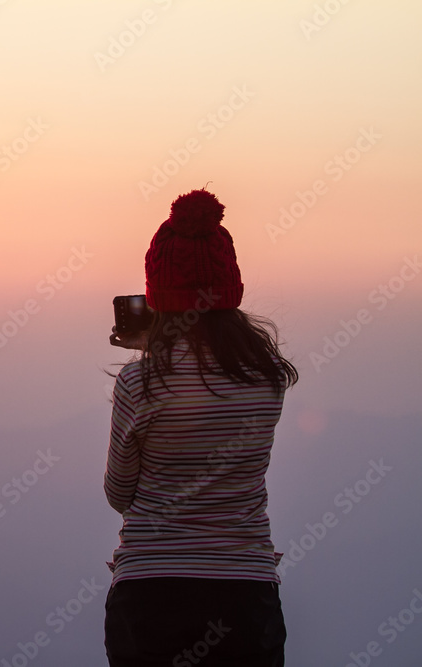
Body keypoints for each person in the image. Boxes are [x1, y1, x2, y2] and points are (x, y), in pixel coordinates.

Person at [103, 188, 299, 666]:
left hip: (151, 594)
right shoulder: (267, 379)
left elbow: (119, 493)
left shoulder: (139, 383)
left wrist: (155, 356)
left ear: (158, 297)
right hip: (245, 595)